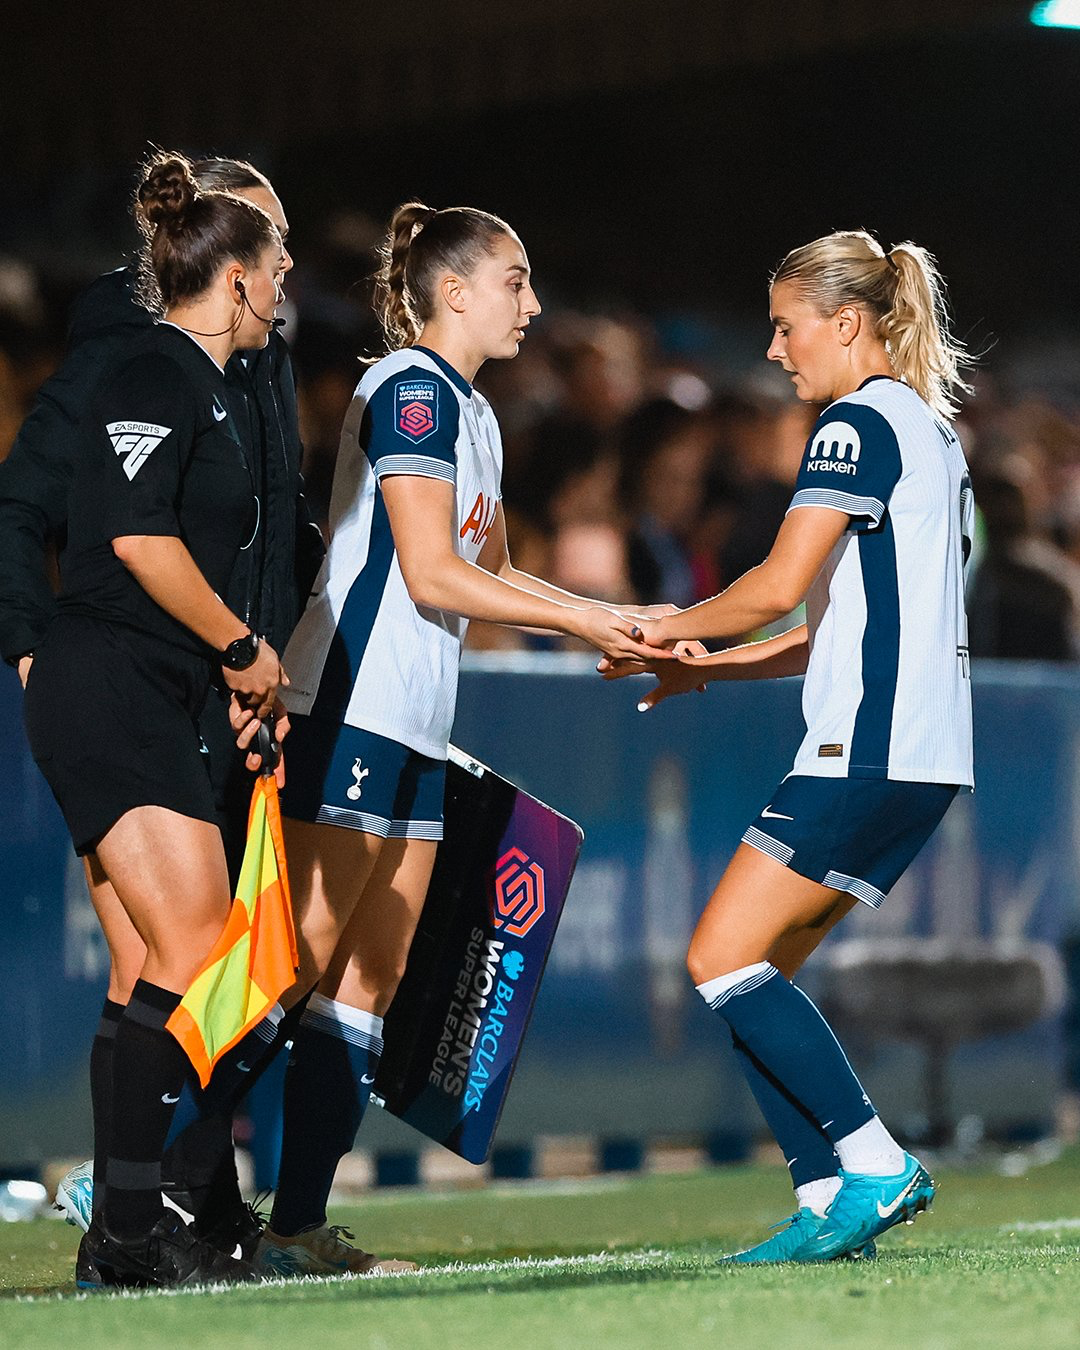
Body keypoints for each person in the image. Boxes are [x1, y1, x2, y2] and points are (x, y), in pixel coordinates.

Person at [231, 201, 668, 1276]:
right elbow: (429, 574)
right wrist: (579, 619)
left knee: (364, 988)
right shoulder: (410, 392)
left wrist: (603, 616)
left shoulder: (472, 413)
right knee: (295, 968)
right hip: (350, 708)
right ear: (455, 289)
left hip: (419, 723)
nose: (532, 302)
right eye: (515, 280)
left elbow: (493, 568)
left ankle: (292, 1226)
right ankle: (137, 1173)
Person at [605, 231, 974, 1262]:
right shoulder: (936, 438)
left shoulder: (855, 424)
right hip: (923, 755)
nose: (774, 351)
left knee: (718, 957)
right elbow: (829, 623)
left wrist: (660, 627)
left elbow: (772, 587)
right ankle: (824, 1204)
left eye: (784, 326)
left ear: (847, 323)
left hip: (868, 744)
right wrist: (703, 670)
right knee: (756, 970)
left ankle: (873, 1165)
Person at [0, 157, 324, 1257]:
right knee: (205, 968)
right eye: (274, 254)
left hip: (186, 688)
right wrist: (238, 649)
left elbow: (251, 538)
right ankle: (130, 1209)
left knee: (177, 967)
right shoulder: (142, 364)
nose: (289, 274)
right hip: (117, 683)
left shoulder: (236, 379)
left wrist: (249, 673)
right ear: (230, 272)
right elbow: (125, 536)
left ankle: (146, 1218)